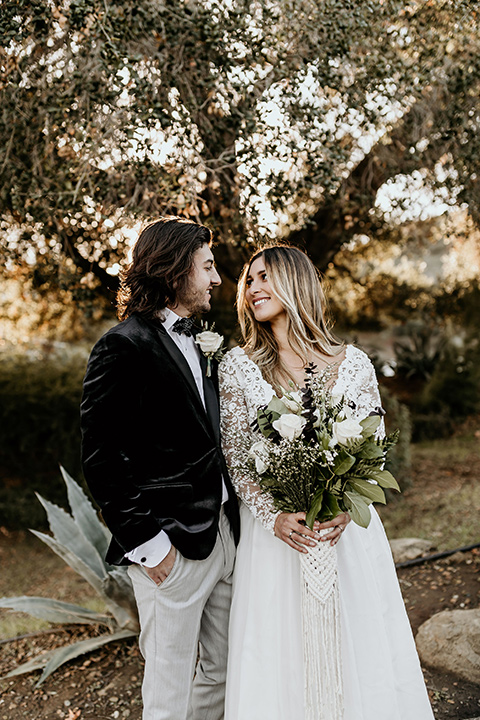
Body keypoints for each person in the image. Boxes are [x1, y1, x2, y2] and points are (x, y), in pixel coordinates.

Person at [218, 245, 434, 720]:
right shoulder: (238, 366)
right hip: (279, 539)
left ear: (296, 283)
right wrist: (273, 517)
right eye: (248, 281)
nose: (253, 288)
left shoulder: (352, 362)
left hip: (345, 534)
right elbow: (236, 460)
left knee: (362, 642)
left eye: (264, 277)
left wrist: (345, 502)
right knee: (281, 652)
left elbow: (373, 448)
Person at [80, 217, 240, 720]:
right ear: (175, 270)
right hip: (172, 548)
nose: (217, 280)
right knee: (169, 687)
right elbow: (102, 457)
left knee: (221, 671)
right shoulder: (122, 345)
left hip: (224, 537)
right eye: (208, 267)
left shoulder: (204, 341)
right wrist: (152, 549)